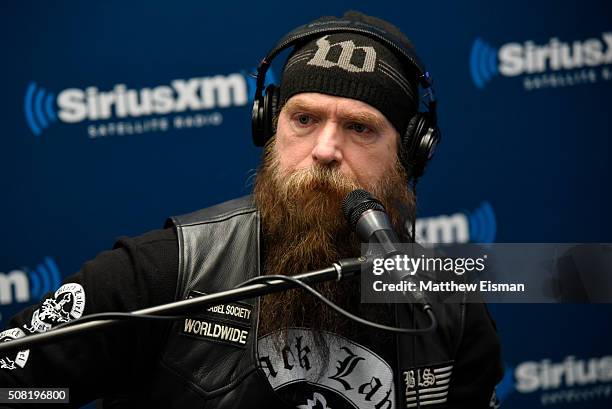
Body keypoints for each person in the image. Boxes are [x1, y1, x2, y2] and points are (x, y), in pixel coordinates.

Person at [0, 11, 503, 409]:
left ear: (409, 154)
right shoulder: (165, 271)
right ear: (270, 127)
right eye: (304, 118)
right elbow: (18, 387)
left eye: (360, 128)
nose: (326, 149)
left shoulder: (450, 306)